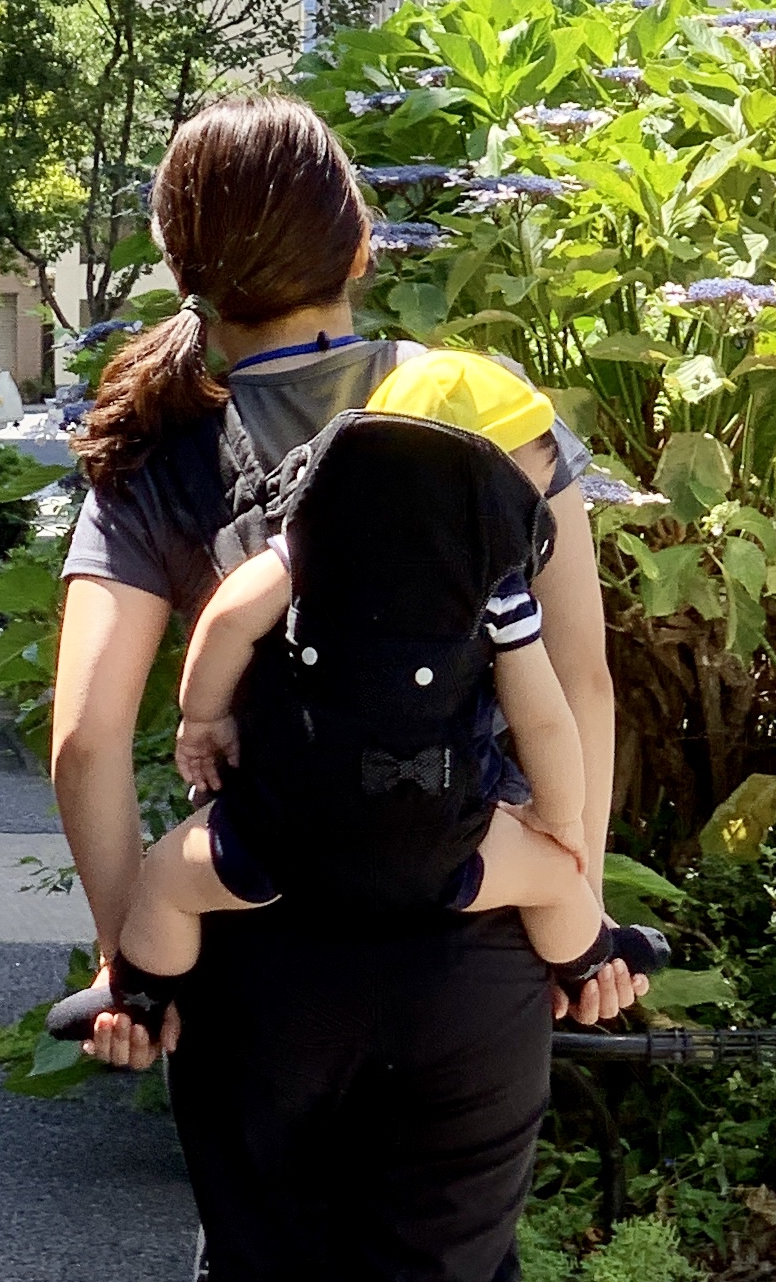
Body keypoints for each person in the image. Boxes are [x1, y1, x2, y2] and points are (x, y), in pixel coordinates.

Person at [49, 94, 650, 1282]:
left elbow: (89, 735)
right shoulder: (481, 409)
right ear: (358, 247)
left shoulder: (163, 442)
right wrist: (565, 904)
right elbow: (584, 690)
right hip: (464, 940)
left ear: (181, 269)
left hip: (256, 951)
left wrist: (125, 957)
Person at [67, 348, 665, 1034]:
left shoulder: (309, 545)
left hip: (282, 831)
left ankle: (139, 999)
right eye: (539, 470)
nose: (549, 483)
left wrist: (201, 718)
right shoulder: (497, 593)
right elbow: (547, 721)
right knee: (555, 883)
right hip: (441, 840)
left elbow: (227, 619)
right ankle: (588, 965)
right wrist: (559, 828)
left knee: (168, 883)